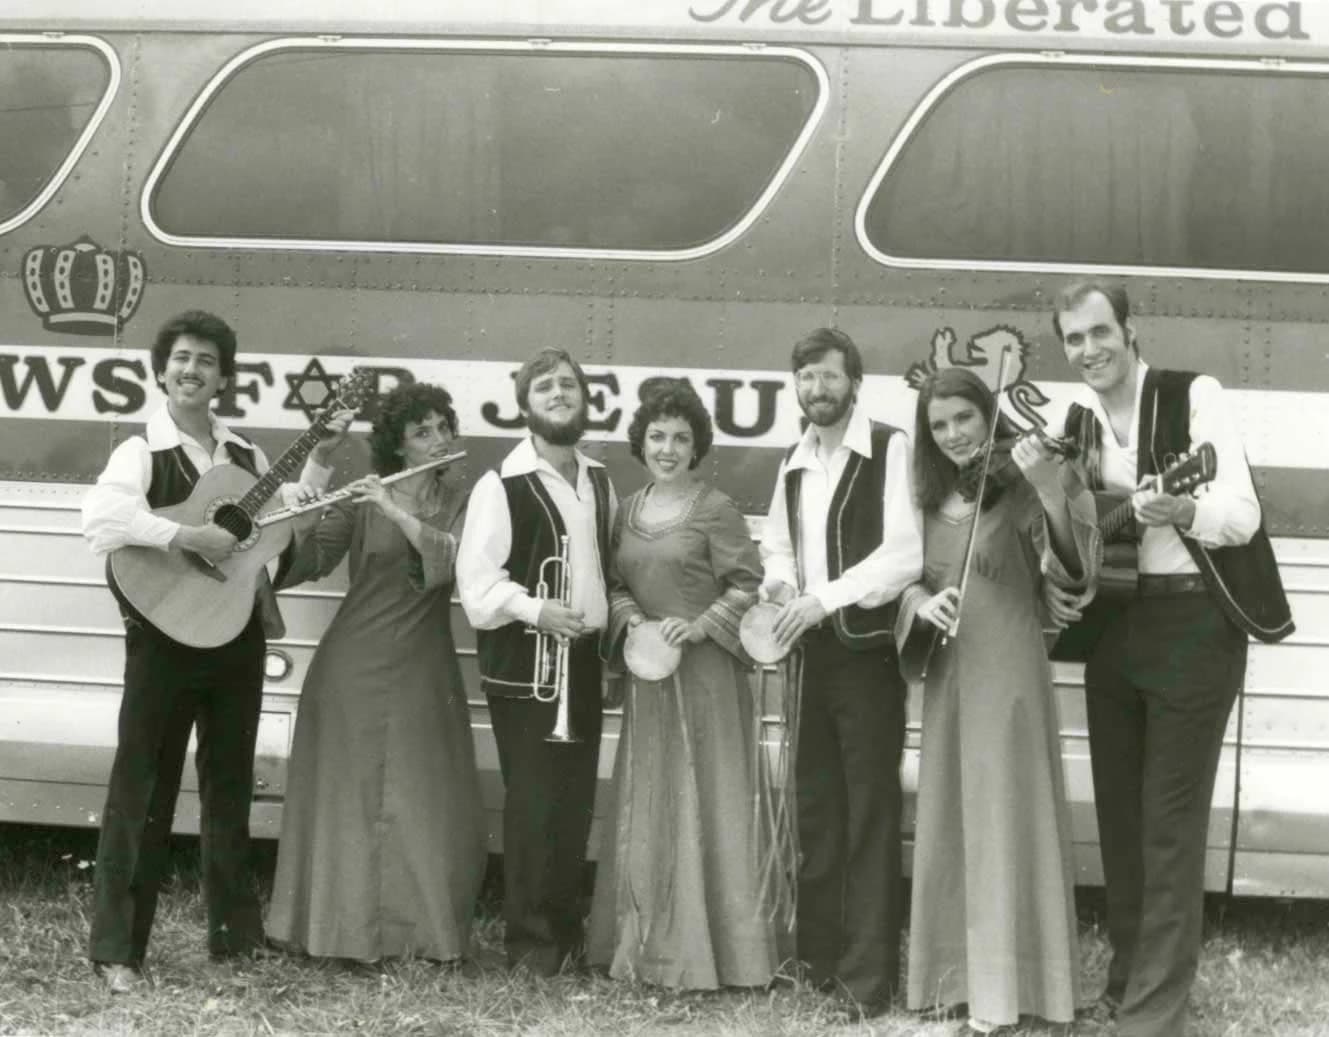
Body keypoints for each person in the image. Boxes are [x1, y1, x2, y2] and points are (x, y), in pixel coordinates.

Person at [1045, 281, 1294, 1037]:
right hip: (1113, 623)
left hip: (1191, 624)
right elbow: (1070, 530)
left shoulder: (1193, 397)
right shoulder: (1076, 422)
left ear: (1129, 329)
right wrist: (1059, 577)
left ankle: (1153, 1013)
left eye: (1099, 332)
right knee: (1119, 821)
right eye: (1073, 339)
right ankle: (1127, 983)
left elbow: (1241, 514)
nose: (1088, 350)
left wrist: (1182, 508)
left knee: (1168, 822)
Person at [79, 311, 345, 992]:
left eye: (205, 360)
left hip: (234, 635)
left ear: (223, 376)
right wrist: (188, 538)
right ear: (162, 369)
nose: (191, 369)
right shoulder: (141, 449)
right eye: (180, 358)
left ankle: (234, 936)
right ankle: (118, 950)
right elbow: (101, 520)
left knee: (229, 786)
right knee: (143, 786)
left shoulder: (249, 457)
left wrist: (318, 457)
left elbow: (288, 527)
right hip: (163, 637)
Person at [895, 368, 1099, 1036]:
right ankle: (954, 983)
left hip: (1008, 671)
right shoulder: (923, 498)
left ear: (988, 416)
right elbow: (903, 582)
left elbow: (1070, 568)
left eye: (964, 418)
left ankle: (1011, 989)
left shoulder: (1016, 491)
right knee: (953, 817)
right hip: (948, 674)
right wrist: (921, 603)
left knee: (1006, 818)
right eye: (939, 424)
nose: (954, 433)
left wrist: (1047, 483)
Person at [265, 382, 486, 963]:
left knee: (419, 793)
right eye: (422, 432)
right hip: (353, 661)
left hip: (423, 662)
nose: (439, 439)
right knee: (350, 794)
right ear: (399, 446)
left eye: (443, 427)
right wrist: (318, 477)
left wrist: (394, 510)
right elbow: (308, 561)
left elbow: (455, 562)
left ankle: (419, 937)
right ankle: (338, 934)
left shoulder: (462, 496)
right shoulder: (365, 497)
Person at [587, 378, 783, 990]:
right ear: (640, 443)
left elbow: (747, 585)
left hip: (707, 680)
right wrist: (636, 625)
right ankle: (644, 948)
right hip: (651, 679)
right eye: (657, 437)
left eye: (680, 438)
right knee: (650, 801)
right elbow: (614, 586)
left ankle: (726, 957)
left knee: (712, 801)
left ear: (697, 446)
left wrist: (697, 628)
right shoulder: (627, 508)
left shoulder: (716, 508)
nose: (668, 448)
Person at [758, 328, 923, 1014]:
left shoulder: (889, 447)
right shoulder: (793, 461)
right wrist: (779, 582)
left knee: (868, 815)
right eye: (806, 377)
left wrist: (821, 598)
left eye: (829, 377)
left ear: (854, 382)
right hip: (810, 660)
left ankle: (867, 977)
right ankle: (817, 960)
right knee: (817, 809)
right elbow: (774, 542)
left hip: (863, 658)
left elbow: (904, 553)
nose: (817, 389)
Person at [456, 347, 616, 976]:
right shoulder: (501, 484)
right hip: (526, 665)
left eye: (569, 385)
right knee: (533, 806)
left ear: (583, 399)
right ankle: (529, 947)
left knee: (574, 804)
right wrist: (537, 610)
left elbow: (604, 572)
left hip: (581, 660)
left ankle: (565, 939)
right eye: (545, 386)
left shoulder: (599, 478)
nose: (558, 393)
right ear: (525, 405)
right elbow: (477, 588)